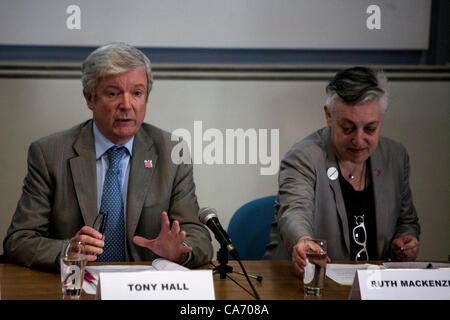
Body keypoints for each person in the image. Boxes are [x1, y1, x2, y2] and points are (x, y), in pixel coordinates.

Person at [3, 42, 213, 272]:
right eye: (113, 93)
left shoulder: (172, 152)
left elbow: (199, 237)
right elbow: (19, 240)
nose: (126, 105)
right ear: (90, 98)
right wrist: (67, 251)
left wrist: (181, 251)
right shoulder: (50, 154)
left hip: (143, 288)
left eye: (137, 93)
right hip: (78, 286)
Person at [264, 66, 420, 277]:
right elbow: (294, 211)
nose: (358, 139)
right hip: (305, 284)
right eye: (348, 128)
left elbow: (406, 221)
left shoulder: (395, 157)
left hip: (371, 287)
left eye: (370, 129)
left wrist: (405, 241)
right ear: (329, 116)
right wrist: (303, 241)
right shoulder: (303, 157)